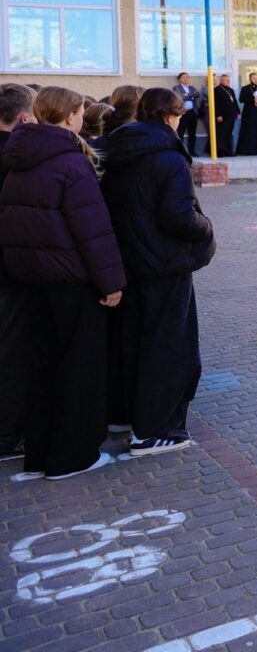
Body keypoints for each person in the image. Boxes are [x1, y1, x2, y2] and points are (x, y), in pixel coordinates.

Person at [0, 86, 126, 480]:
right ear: (70, 116)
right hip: (71, 281)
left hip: (31, 279)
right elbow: (93, 230)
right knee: (80, 367)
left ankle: (40, 453)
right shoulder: (71, 163)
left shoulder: (19, 158)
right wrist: (111, 282)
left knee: (42, 367)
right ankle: (72, 456)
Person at [101, 88, 215, 457]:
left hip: (130, 260)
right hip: (164, 264)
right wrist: (206, 228)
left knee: (132, 341)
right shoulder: (167, 158)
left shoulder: (116, 150)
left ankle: (125, 415)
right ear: (171, 116)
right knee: (168, 347)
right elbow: (179, 216)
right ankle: (155, 430)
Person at [0, 83, 36, 463]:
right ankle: (9, 436)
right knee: (13, 352)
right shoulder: (16, 160)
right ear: (25, 117)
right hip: (11, 274)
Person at [236, 72, 257, 156]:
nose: (255, 79)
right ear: (250, 79)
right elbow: (241, 99)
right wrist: (252, 100)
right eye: (253, 78)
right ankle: (248, 150)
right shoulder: (245, 88)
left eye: (256, 78)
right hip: (249, 113)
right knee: (249, 131)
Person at [171, 72, 203, 154]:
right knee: (181, 132)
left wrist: (187, 94)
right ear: (179, 79)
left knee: (192, 133)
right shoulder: (176, 87)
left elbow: (197, 94)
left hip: (193, 112)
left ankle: (192, 151)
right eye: (183, 77)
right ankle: (181, 151)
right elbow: (179, 96)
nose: (186, 79)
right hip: (183, 113)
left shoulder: (192, 87)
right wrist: (190, 95)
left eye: (187, 77)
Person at [211, 74, 238, 157]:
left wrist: (238, 112)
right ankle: (220, 151)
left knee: (229, 134)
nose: (228, 81)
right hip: (222, 116)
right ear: (221, 80)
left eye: (229, 80)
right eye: (226, 80)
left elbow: (235, 101)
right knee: (221, 134)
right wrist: (218, 115)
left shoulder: (231, 90)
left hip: (231, 115)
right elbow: (215, 103)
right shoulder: (217, 90)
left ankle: (228, 151)